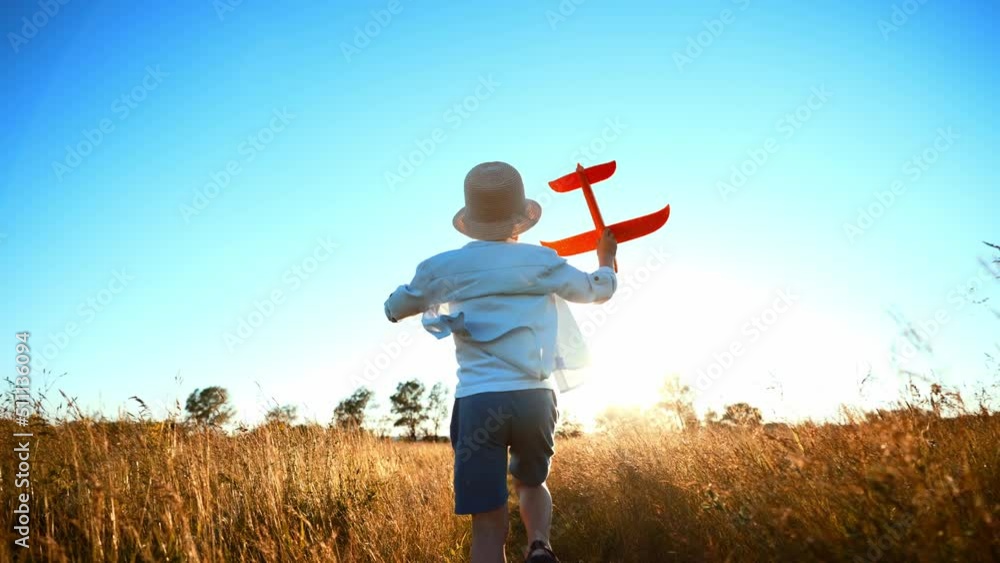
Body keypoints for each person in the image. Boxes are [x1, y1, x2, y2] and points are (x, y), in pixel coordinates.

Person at [384, 161, 618, 563]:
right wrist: (606, 258)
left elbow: (394, 309)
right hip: (535, 398)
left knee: (488, 524)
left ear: (471, 217)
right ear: (520, 219)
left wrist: (413, 293)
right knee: (532, 482)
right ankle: (539, 545)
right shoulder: (543, 261)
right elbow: (598, 290)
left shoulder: (441, 266)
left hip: (479, 401)